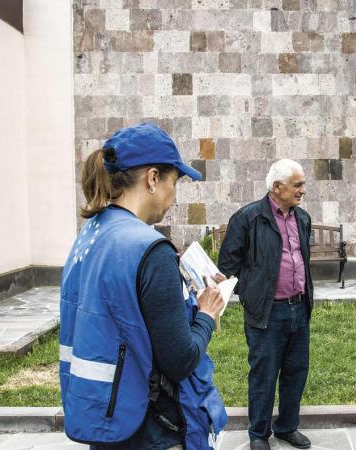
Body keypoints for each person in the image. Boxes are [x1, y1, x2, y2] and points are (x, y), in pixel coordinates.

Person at [59, 123, 228, 450]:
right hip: (149, 427)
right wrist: (207, 312)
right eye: (174, 182)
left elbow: (122, 314)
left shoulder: (90, 235)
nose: (174, 196)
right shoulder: (150, 249)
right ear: (153, 178)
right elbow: (181, 359)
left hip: (105, 413)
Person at [218, 159, 313, 450]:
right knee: (264, 374)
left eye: (302, 184)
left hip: (299, 308)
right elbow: (227, 265)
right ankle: (258, 434)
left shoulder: (303, 218)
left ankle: (286, 427)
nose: (303, 190)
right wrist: (253, 292)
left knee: (296, 371)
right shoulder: (247, 218)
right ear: (277, 187)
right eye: (297, 185)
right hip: (266, 312)